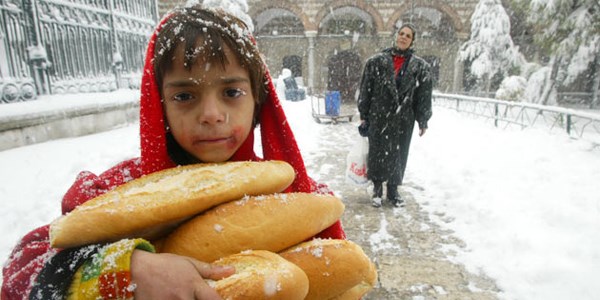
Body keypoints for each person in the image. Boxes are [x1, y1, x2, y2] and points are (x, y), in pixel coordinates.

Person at [1, 6, 345, 300]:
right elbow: (21, 271)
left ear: (258, 99)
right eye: (184, 96)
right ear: (158, 105)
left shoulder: (297, 198)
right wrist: (128, 268)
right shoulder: (121, 191)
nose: (211, 113)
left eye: (231, 91)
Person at [357, 23, 433, 208]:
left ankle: (393, 190)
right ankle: (376, 190)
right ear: (396, 36)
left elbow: (424, 95)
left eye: (408, 35)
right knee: (377, 152)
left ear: (412, 41)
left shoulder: (420, 67)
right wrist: (364, 113)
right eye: (401, 34)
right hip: (379, 115)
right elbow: (366, 89)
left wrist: (423, 120)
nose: (404, 37)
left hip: (403, 119)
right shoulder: (376, 62)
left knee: (399, 153)